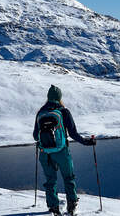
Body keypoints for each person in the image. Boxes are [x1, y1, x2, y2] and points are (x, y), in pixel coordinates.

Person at [33, 85, 96, 215]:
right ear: (59, 97)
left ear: (48, 97)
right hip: (61, 151)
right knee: (68, 177)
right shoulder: (63, 111)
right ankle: (72, 205)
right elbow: (73, 134)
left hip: (45, 153)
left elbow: (35, 135)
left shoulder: (41, 112)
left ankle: (53, 207)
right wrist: (87, 142)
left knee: (50, 180)